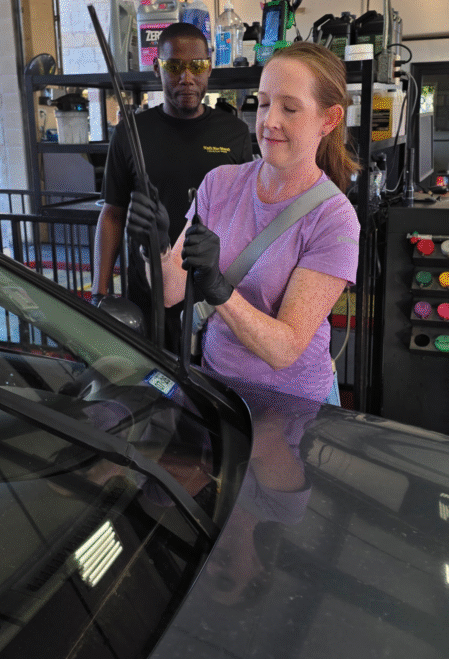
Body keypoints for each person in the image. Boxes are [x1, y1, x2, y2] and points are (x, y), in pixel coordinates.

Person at [128, 41, 360, 404]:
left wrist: (217, 287)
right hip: (218, 389)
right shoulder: (220, 183)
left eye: (290, 108)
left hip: (290, 405)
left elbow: (284, 349)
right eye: (264, 103)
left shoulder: (334, 218)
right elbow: (170, 292)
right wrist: (154, 248)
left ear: (328, 120)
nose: (270, 121)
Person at [93, 22, 253, 349]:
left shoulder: (234, 132)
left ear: (209, 66)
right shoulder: (131, 132)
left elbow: (246, 217)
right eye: (174, 66)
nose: (186, 77)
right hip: (146, 296)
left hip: (212, 297)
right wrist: (100, 294)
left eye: (197, 65)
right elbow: (112, 214)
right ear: (157, 69)